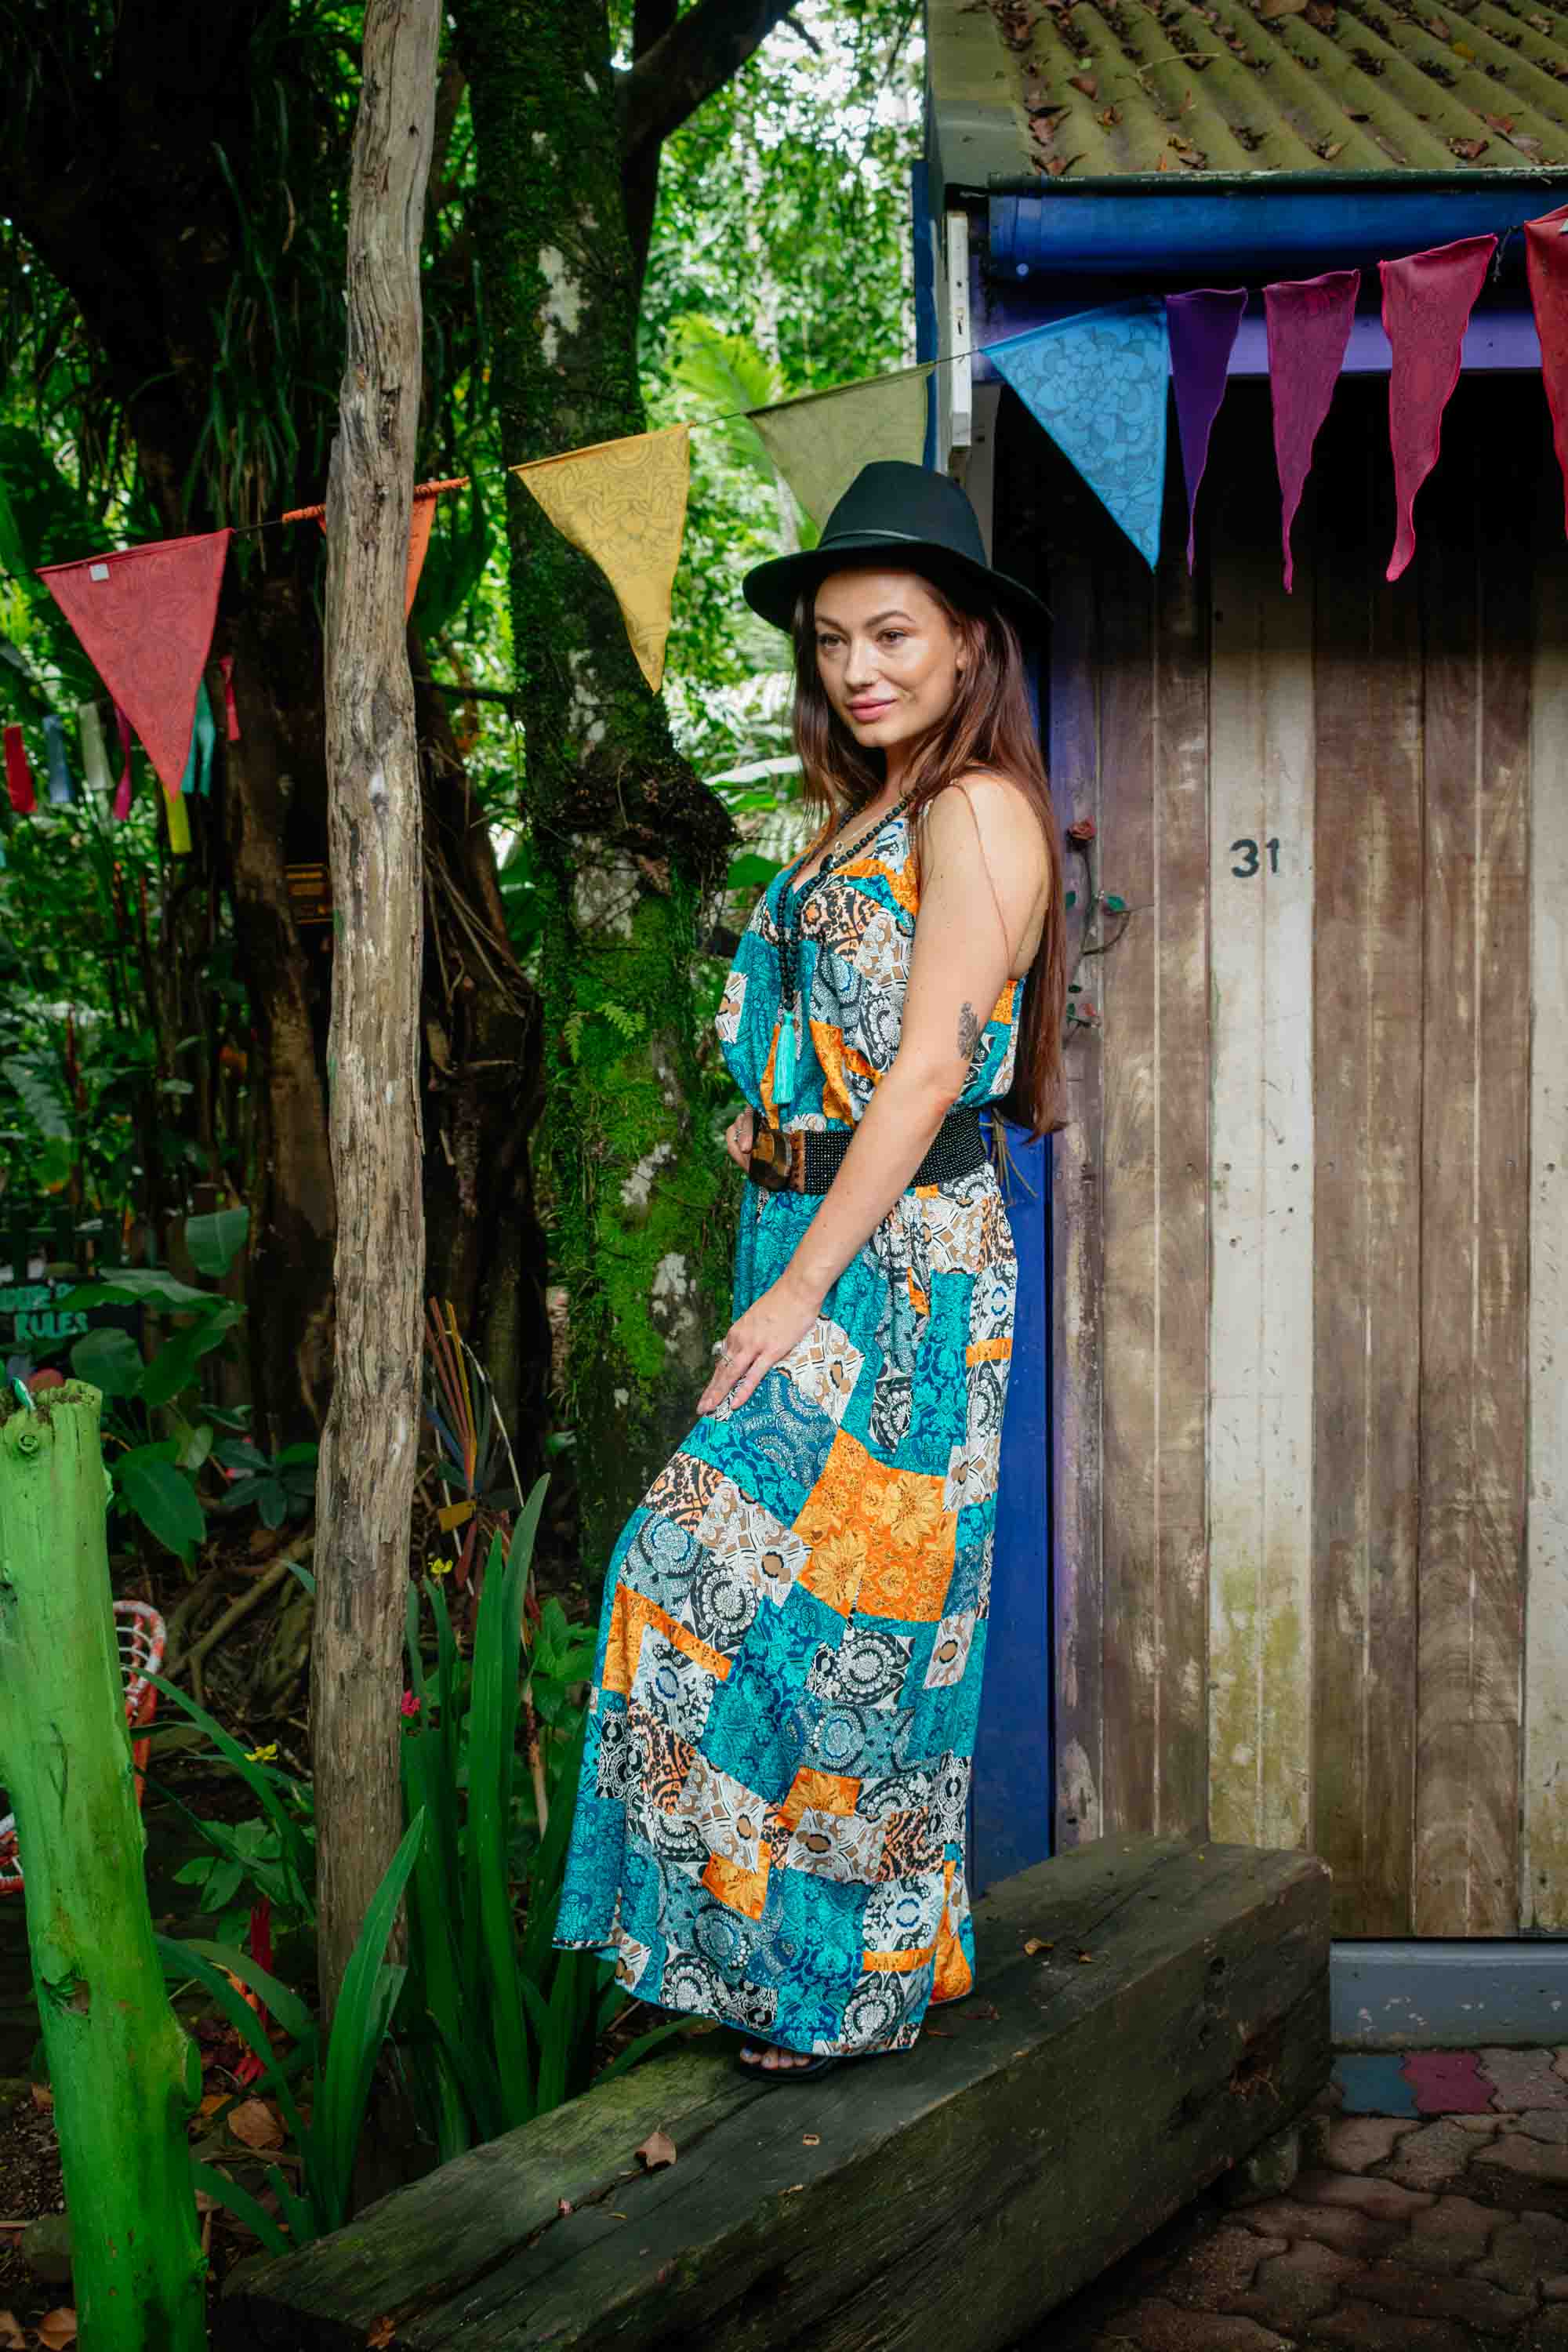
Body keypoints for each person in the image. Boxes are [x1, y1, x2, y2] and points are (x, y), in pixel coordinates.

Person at [552, 459, 1066, 2082]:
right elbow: (835, 1044)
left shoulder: (974, 808)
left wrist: (794, 1290)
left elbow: (927, 1074)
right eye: (834, 641)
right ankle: (878, 1947)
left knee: (783, 1600)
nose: (858, 668)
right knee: (822, 1608)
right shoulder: (869, 811)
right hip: (815, 1226)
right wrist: (766, 1135)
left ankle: (835, 1982)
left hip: (897, 1265)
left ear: (969, 640)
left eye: (892, 634)